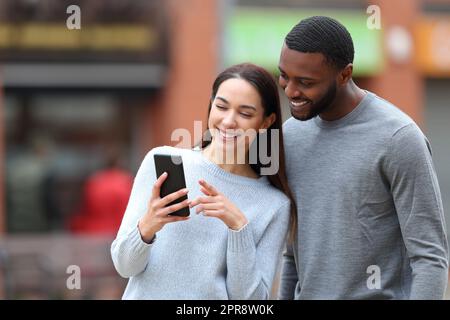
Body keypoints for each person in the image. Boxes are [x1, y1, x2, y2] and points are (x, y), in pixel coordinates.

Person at [277, 16, 448, 300]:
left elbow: (430, 257)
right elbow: (292, 254)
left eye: (306, 82)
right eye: (284, 76)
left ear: (345, 75)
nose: (291, 91)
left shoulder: (399, 138)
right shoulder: (289, 137)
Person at [111, 63, 296, 299]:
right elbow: (124, 266)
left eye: (245, 113)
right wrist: (148, 226)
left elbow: (251, 301)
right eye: (221, 106)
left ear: (266, 122)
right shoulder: (164, 162)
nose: (229, 121)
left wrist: (239, 228)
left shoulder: (273, 205)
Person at [68, 149, 133, 235]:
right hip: (120, 229)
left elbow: (85, 208)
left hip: (95, 231)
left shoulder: (94, 181)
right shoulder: (127, 181)